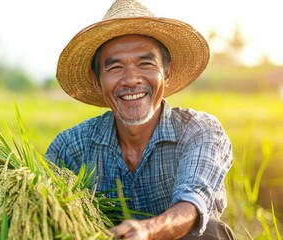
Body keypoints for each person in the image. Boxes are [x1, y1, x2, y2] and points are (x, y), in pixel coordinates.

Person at [45, 0, 236, 239]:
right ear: (97, 81)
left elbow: (192, 205)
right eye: (115, 68)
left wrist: (147, 231)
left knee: (209, 231)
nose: (131, 79)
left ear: (166, 73)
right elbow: (43, 206)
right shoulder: (72, 147)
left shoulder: (198, 130)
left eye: (146, 64)